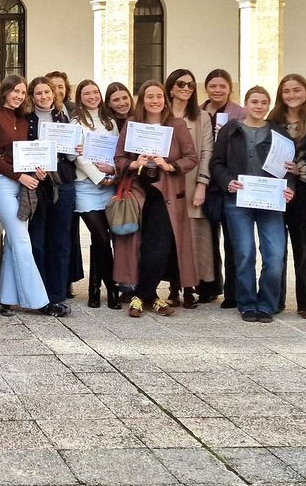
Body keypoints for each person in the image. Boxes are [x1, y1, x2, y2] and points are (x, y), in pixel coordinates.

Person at [112, 81, 197, 318]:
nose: (155, 101)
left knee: (158, 247)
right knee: (137, 245)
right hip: (138, 192)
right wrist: (134, 163)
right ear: (143, 100)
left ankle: (140, 296)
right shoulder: (132, 125)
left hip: (165, 193)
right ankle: (151, 298)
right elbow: (118, 158)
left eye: (159, 96)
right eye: (150, 96)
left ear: (165, 99)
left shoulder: (176, 125)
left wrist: (169, 165)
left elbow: (192, 158)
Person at [210, 86, 294, 322]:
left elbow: (288, 169)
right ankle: (246, 303)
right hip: (238, 201)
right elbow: (216, 163)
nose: (259, 106)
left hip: (271, 202)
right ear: (245, 104)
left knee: (275, 255)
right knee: (244, 253)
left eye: (263, 102)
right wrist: (228, 182)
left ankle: (267, 304)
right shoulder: (230, 130)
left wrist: (290, 189)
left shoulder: (279, 134)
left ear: (268, 105)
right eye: (254, 101)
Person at [0, 75, 49, 313]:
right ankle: (40, 301)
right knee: (21, 239)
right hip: (1, 183)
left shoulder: (23, 119)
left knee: (13, 241)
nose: (19, 96)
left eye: (23, 92)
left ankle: (5, 298)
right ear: (5, 91)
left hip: (23, 184)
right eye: (15, 91)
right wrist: (18, 176)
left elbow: (27, 154)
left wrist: (37, 172)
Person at [267, 74, 306, 319]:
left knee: (304, 246)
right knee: (275, 247)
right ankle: (275, 298)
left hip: (304, 191)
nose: (291, 95)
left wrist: (302, 170)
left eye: (296, 90)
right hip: (276, 189)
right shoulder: (272, 120)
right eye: (286, 91)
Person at [26, 76, 76, 316]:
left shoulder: (64, 117)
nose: (43, 97)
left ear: (54, 95)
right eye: (38, 93)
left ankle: (57, 294)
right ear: (32, 96)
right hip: (37, 184)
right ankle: (39, 293)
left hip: (63, 183)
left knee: (60, 240)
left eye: (47, 92)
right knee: (37, 239)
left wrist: (77, 149)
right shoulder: (26, 119)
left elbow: (71, 157)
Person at [165, 68, 215, 309]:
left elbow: (207, 152)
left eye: (191, 85)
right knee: (170, 237)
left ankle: (190, 287)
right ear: (171, 87)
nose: (186, 89)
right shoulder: (161, 114)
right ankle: (173, 286)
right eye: (181, 84)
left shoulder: (202, 117)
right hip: (166, 184)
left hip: (192, 182)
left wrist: (202, 184)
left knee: (193, 240)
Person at [72, 79, 120, 309]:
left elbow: (118, 152)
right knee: (101, 236)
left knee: (101, 238)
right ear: (79, 97)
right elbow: (78, 157)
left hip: (109, 185)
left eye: (95, 92)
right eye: (86, 93)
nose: (92, 97)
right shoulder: (76, 122)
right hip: (86, 187)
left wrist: (112, 172)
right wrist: (98, 177)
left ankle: (95, 290)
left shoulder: (110, 121)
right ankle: (111, 287)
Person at [199, 69, 243, 307]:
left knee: (232, 238)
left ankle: (233, 292)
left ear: (230, 88)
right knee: (207, 237)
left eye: (222, 86)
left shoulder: (240, 114)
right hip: (204, 181)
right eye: (213, 86)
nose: (217, 90)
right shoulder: (197, 112)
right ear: (206, 88)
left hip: (230, 181)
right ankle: (208, 285)